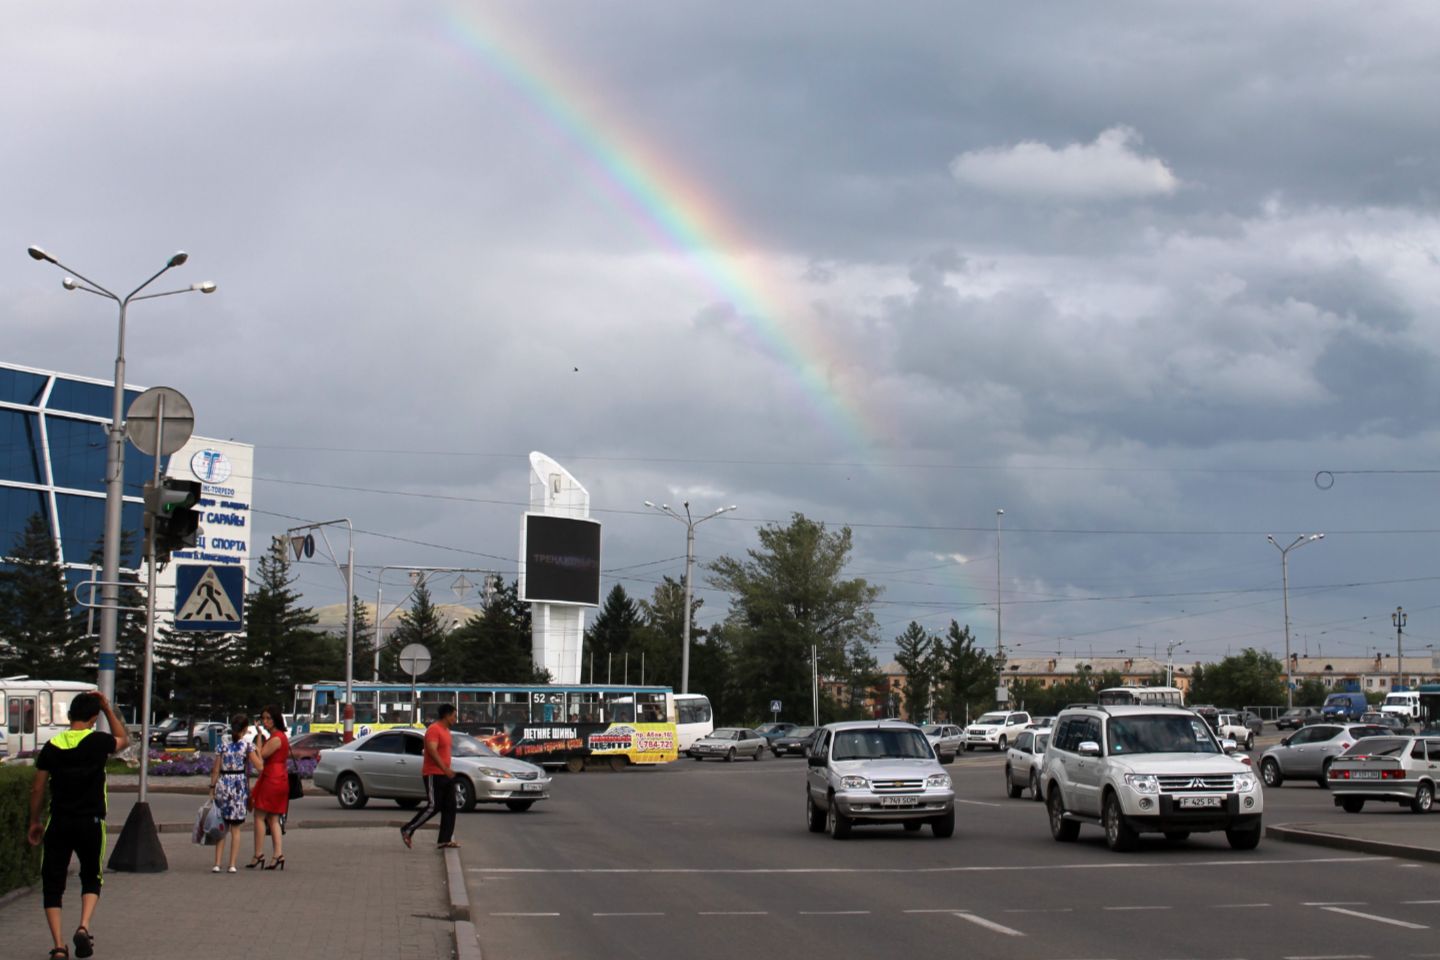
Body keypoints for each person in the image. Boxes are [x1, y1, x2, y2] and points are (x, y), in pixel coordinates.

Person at [26, 691, 129, 960]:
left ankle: (59, 946)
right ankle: (83, 926)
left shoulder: (52, 746)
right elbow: (124, 740)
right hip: (91, 822)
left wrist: (35, 821)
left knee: (52, 882)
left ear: (69, 716)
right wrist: (107, 708)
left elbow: (37, 789)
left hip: (58, 822)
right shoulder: (99, 741)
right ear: (93, 718)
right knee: (91, 876)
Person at [209, 713, 262, 873]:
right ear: (245, 729)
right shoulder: (247, 746)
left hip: (223, 785)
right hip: (238, 786)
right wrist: (258, 747)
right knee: (236, 828)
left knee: (222, 826)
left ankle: (217, 863)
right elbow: (260, 766)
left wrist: (212, 788)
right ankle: (232, 864)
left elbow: (215, 770)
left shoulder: (222, 746)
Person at [400, 703, 457, 850]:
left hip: (446, 774)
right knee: (434, 806)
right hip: (434, 774)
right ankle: (407, 829)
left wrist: (448, 769)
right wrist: (444, 768)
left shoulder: (446, 731)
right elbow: (431, 750)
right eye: (454, 715)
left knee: (450, 806)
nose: (455, 719)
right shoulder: (434, 729)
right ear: (446, 715)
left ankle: (444, 840)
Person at [248, 704, 290, 871]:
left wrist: (258, 736)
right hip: (280, 777)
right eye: (263, 718)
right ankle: (277, 854)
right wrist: (261, 734)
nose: (265, 721)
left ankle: (259, 854)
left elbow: (260, 754)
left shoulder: (276, 738)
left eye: (268, 718)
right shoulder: (281, 736)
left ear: (275, 719)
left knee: (259, 815)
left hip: (272, 777)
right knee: (273, 817)